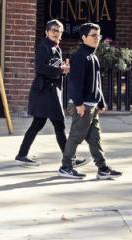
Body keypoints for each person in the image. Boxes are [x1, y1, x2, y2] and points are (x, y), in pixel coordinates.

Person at [15, 20, 86, 167]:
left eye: (59, 31)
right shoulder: (43, 47)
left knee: (39, 124)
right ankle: (69, 159)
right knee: (57, 124)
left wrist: (64, 71)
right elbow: (40, 68)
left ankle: (22, 154)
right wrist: (60, 70)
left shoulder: (58, 49)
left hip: (53, 92)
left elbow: (56, 71)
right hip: (44, 92)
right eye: (53, 30)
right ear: (47, 32)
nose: (56, 33)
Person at [58, 23, 123, 180]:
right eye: (93, 36)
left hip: (92, 105)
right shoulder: (80, 56)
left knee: (95, 138)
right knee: (76, 136)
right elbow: (75, 82)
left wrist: (101, 101)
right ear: (84, 37)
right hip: (83, 105)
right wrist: (79, 103)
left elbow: (96, 82)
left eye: (98, 36)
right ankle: (66, 167)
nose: (97, 39)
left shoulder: (93, 56)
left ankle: (103, 168)